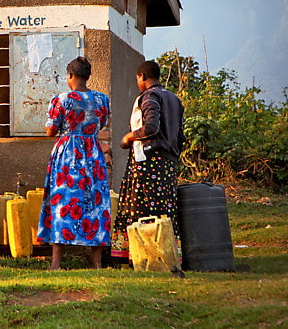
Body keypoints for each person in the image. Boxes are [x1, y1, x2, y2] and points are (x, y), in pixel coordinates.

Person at [36, 57, 111, 270]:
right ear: (87, 76)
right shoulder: (102, 100)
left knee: (63, 202)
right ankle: (96, 264)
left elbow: (51, 130)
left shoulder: (62, 99)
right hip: (93, 155)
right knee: (96, 204)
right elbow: (100, 123)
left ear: (70, 75)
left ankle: (56, 264)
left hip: (67, 155)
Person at [111, 60, 185, 261]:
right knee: (164, 211)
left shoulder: (149, 96)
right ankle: (167, 255)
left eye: (137, 78)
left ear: (142, 76)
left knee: (141, 208)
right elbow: (180, 136)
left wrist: (129, 136)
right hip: (168, 163)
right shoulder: (174, 99)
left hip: (148, 163)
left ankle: (142, 256)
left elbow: (151, 127)